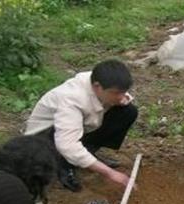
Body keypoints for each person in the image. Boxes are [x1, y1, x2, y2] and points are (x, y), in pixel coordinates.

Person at [25, 59, 138, 192]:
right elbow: (67, 145)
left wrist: (122, 99)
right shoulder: (71, 99)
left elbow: (119, 95)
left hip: (76, 126)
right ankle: (64, 165)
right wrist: (109, 173)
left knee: (127, 111)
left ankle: (88, 152)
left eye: (123, 92)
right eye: (116, 93)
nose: (121, 96)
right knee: (68, 148)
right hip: (45, 137)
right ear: (97, 86)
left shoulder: (101, 80)